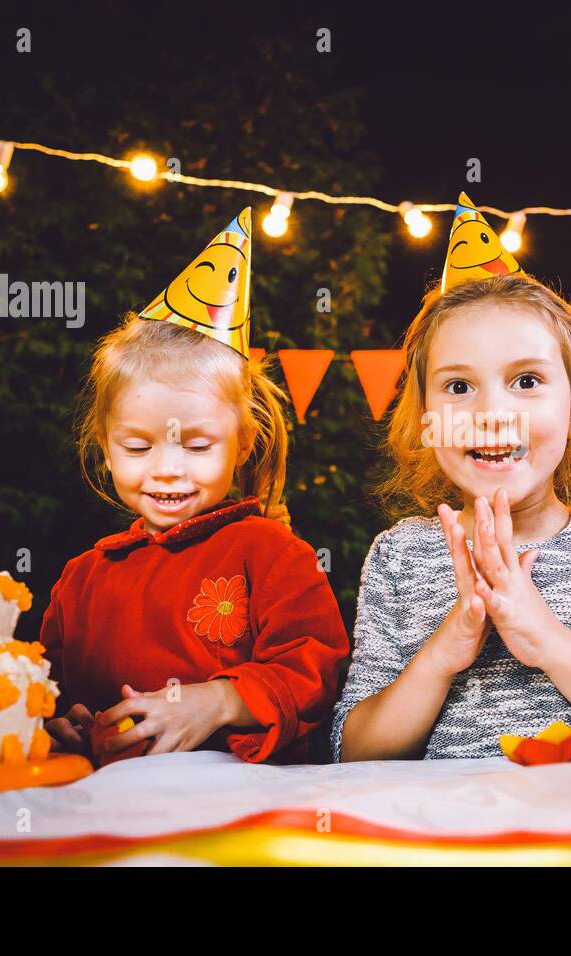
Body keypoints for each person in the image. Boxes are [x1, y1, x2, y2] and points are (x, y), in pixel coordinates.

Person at [334, 193, 571, 760]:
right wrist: (446, 649)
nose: (492, 413)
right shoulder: (398, 557)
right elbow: (355, 753)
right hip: (449, 842)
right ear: (426, 419)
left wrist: (542, 635)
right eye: (459, 387)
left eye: (526, 381)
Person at [41, 209, 348, 763]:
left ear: (244, 442)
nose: (166, 469)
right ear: (105, 447)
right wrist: (61, 723)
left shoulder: (274, 554)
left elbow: (319, 671)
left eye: (198, 446)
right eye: (137, 447)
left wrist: (219, 701)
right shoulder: (80, 580)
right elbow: (44, 692)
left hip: (241, 812)